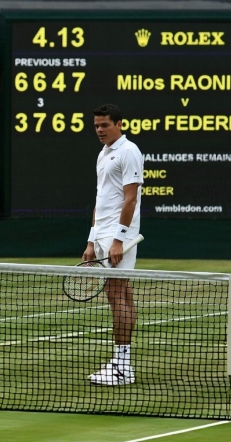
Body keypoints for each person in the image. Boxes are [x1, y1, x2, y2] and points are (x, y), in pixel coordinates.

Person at [85, 104, 144, 386]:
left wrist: (119, 239)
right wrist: (90, 239)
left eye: (104, 125)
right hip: (102, 234)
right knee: (122, 294)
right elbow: (101, 199)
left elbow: (130, 199)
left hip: (118, 237)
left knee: (117, 294)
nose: (99, 129)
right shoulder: (103, 153)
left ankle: (122, 367)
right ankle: (122, 362)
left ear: (119, 124)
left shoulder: (129, 151)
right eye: (96, 125)